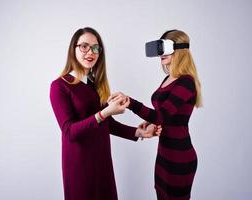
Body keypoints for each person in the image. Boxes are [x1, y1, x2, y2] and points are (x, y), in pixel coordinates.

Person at [49, 27, 161, 200]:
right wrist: (105, 112)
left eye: (95, 48)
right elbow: (69, 132)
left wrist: (139, 132)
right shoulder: (59, 86)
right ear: (73, 49)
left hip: (101, 161)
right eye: (84, 46)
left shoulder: (93, 84)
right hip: (79, 164)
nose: (90, 52)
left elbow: (107, 123)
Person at [109, 29, 202, 200]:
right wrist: (150, 123)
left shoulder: (186, 82)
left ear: (178, 50)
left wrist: (131, 103)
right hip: (164, 154)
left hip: (179, 157)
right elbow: (165, 116)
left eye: (164, 48)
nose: (160, 54)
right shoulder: (169, 78)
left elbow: (161, 116)